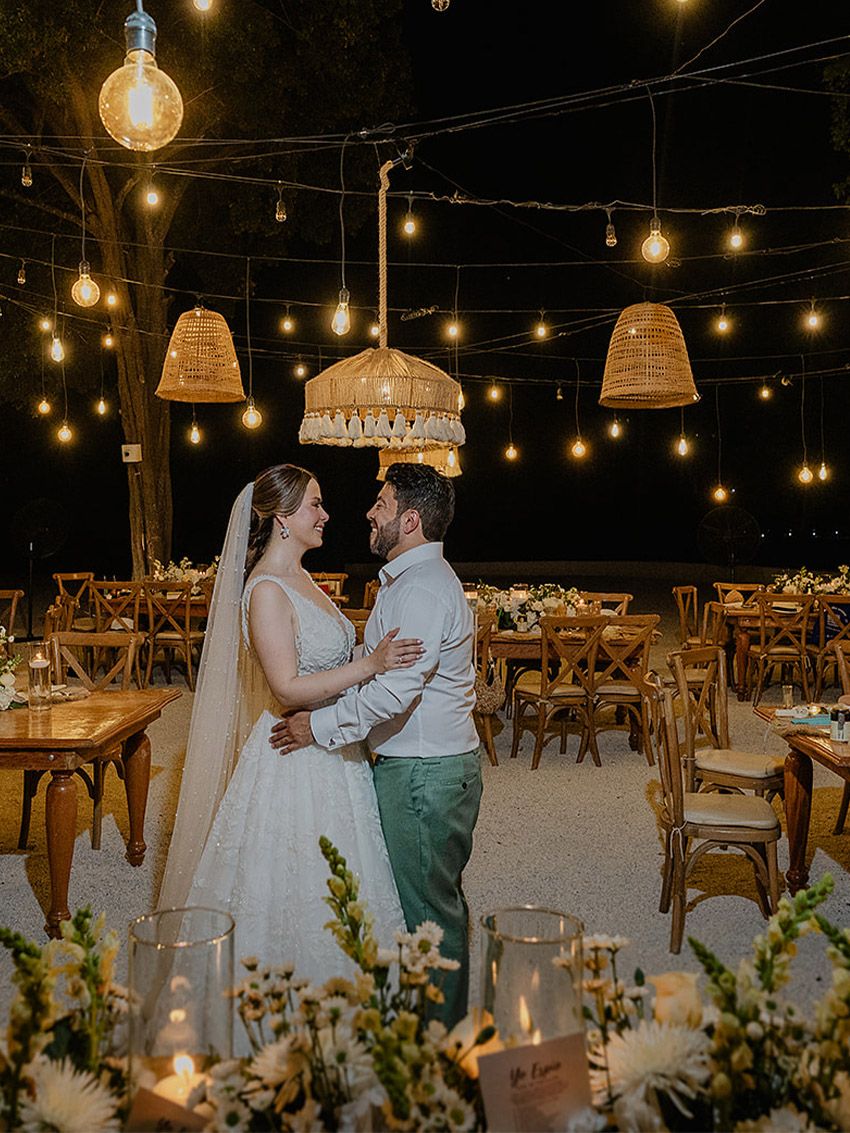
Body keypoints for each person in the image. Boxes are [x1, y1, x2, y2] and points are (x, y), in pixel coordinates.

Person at [157, 464, 425, 985]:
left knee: (348, 876)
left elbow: (329, 657)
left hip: (334, 745)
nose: (325, 515)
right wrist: (371, 666)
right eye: (315, 505)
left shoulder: (303, 579)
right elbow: (285, 686)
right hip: (292, 752)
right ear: (282, 517)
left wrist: (370, 656)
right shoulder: (265, 590)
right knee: (290, 883)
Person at [271, 463, 482, 1027]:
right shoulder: (410, 582)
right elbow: (378, 669)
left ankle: (438, 1041)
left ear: (409, 521)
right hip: (424, 767)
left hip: (423, 775)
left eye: (382, 504)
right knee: (428, 900)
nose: (369, 512)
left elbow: (394, 693)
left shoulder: (422, 590)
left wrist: (317, 727)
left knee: (428, 916)